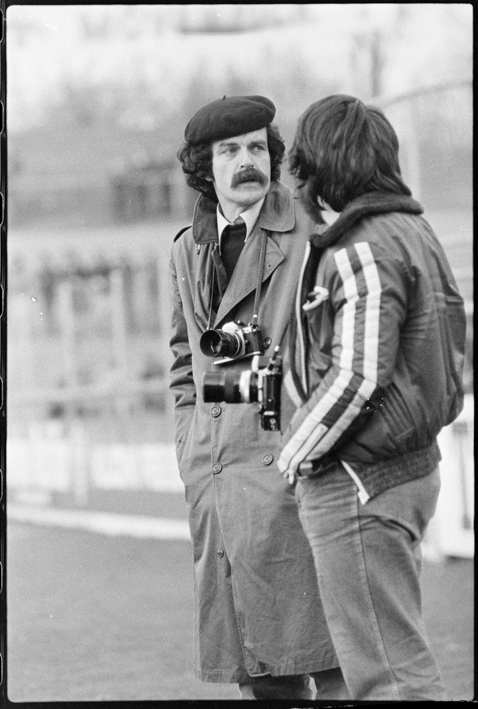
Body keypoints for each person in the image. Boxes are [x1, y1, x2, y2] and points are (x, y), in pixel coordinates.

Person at [278, 94, 467, 701]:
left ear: (318, 166)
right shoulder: (415, 228)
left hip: (362, 481)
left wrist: (293, 457)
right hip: (409, 468)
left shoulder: (360, 244)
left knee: (386, 678)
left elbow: (357, 377)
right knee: (399, 660)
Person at [169, 95, 348, 700]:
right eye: (229, 151)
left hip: (295, 472)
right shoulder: (185, 247)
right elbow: (184, 364)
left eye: (256, 148)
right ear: (205, 167)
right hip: (220, 479)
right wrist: (191, 445)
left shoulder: (312, 232)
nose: (248, 162)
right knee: (263, 679)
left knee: (333, 662)